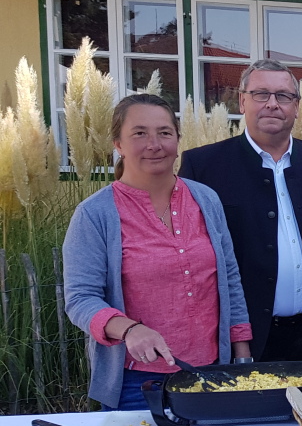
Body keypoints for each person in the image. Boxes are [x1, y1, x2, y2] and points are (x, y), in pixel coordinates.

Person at [64, 94, 252, 410]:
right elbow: (80, 299)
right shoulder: (95, 214)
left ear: (178, 140)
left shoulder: (205, 200)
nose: (154, 144)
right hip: (138, 384)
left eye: (164, 132)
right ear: (118, 144)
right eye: (139, 133)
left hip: (211, 374)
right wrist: (130, 329)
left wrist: (242, 357)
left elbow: (230, 282)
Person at [178, 59, 302, 374]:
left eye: (283, 96)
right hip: (246, 340)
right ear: (242, 100)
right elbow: (190, 262)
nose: (272, 104)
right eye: (261, 94)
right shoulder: (203, 168)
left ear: (297, 106)